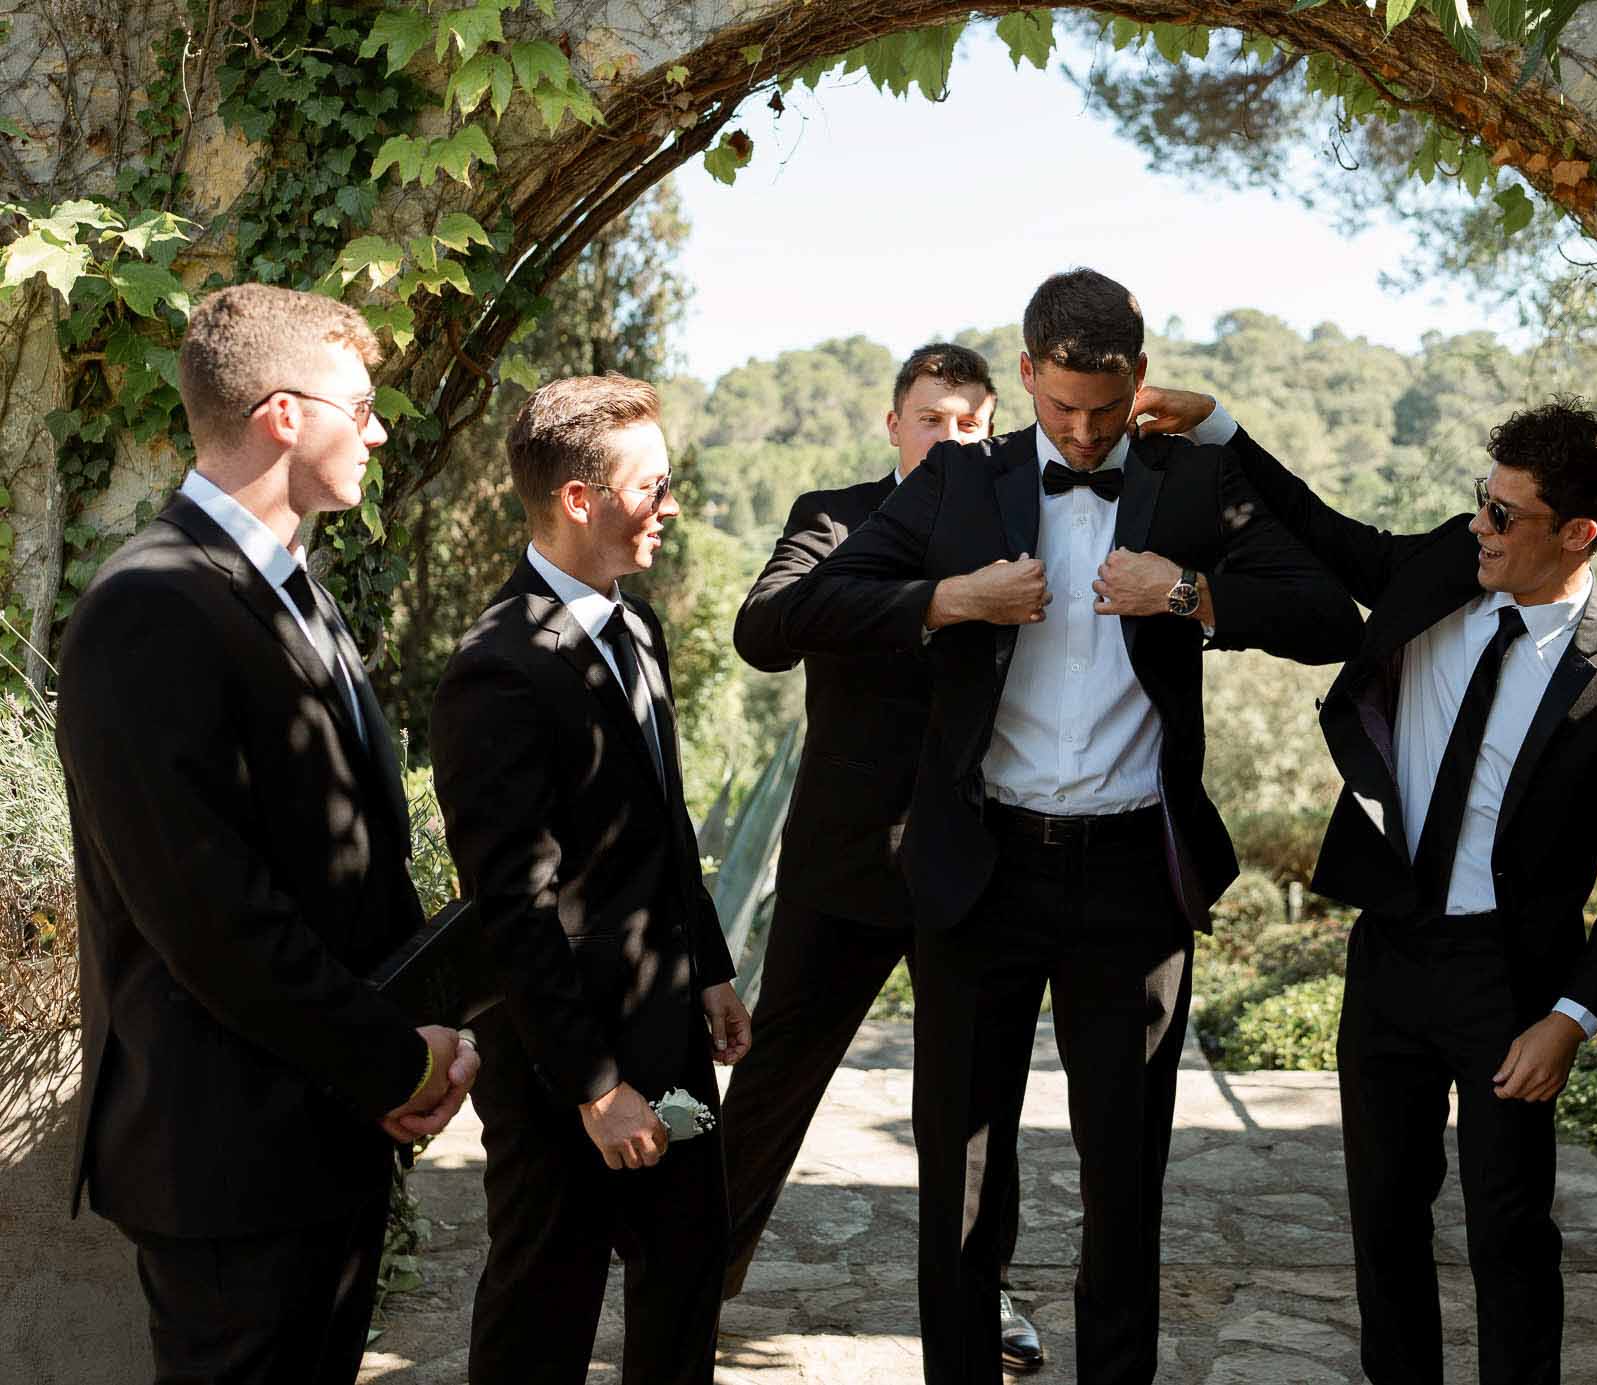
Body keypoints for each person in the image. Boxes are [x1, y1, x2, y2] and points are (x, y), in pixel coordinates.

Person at [780, 268, 1363, 1385]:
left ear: (1140, 378)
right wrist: (951, 600)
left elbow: (1329, 613)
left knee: (1125, 1175)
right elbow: (803, 608)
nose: (1085, 434)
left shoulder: (1194, 481)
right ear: (1025, 374)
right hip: (978, 869)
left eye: (1104, 410)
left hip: (1131, 882)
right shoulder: (956, 482)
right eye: (1059, 409)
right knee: (955, 1173)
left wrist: (1188, 593)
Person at [1135, 386, 1597, 1385]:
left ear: (1577, 533)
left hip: (1508, 980)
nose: (1478, 523)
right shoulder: (1445, 561)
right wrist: (1219, 431)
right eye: (1481, 496)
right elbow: (1326, 532)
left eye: (1502, 514)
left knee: (1507, 1234)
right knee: (1383, 1222)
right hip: (1388, 949)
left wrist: (1569, 1018)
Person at [55, 282, 478, 1384]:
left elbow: (345, 858)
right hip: (226, 1158)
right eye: (364, 402)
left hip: (328, 1127)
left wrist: (427, 1034)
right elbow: (208, 915)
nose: (380, 429)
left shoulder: (300, 596)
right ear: (285, 414)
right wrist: (391, 1055)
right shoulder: (148, 606)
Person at [722, 342, 1045, 1369]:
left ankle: (980, 1296)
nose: (948, 436)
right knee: (774, 1077)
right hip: (841, 857)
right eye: (929, 416)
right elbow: (767, 626)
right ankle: (697, 1271)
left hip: (973, 864)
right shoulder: (835, 513)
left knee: (975, 1105)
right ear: (892, 423)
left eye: (967, 421)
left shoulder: (1022, 523)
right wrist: (940, 600)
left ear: (988, 429)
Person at [431, 373, 752, 1385]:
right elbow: (510, 906)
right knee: (545, 1300)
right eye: (652, 486)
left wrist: (707, 965)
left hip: (667, 1019)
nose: (669, 505)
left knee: (688, 1267)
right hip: (556, 1053)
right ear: (581, 499)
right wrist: (594, 1086)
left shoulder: (638, 628)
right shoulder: (497, 667)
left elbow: (663, 818)